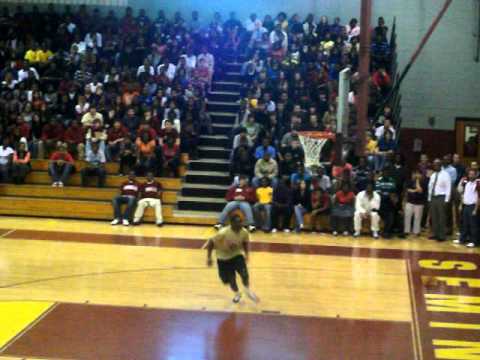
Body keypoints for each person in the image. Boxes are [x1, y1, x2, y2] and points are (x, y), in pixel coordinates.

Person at [206, 214, 259, 304]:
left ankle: (247, 290)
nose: (240, 224)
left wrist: (246, 254)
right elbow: (211, 242)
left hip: (237, 255)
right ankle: (237, 293)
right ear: (232, 223)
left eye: (241, 222)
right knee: (229, 280)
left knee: (244, 274)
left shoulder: (244, 232)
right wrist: (209, 257)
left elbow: (245, 243)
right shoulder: (223, 232)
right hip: (223, 258)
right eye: (238, 223)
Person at [428, 158, 452, 241]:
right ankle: (435, 233)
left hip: (441, 197)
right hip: (433, 197)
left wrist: (447, 200)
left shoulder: (445, 174)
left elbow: (448, 187)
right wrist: (429, 198)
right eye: (434, 165)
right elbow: (430, 187)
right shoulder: (433, 175)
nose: (435, 166)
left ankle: (442, 236)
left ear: (440, 165)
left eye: (437, 164)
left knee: (441, 217)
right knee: (434, 217)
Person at [454, 168, 479, 248]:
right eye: (469, 174)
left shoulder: (478, 184)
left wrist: (475, 209)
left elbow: (479, 197)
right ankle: (462, 239)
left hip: (473, 206)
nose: (470, 176)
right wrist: (461, 204)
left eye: (472, 174)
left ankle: (473, 241)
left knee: (473, 225)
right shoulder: (467, 183)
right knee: (464, 224)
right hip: (466, 206)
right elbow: (464, 195)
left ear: (476, 175)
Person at [376, 166, 398, 238]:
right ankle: (385, 232)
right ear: (382, 173)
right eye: (384, 172)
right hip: (381, 202)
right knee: (386, 216)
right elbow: (378, 193)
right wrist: (388, 194)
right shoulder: (379, 180)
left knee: (391, 216)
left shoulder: (392, 180)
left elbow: (393, 192)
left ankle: (387, 232)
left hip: (390, 202)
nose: (386, 174)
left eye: (387, 172)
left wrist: (388, 195)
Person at [404, 169, 428, 237]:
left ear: (421, 175)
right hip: (410, 201)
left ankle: (416, 231)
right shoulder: (409, 181)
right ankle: (407, 231)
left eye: (418, 174)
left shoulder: (423, 182)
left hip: (419, 202)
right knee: (407, 216)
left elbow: (420, 190)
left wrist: (417, 181)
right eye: (415, 174)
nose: (416, 175)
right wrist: (415, 190)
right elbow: (407, 190)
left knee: (417, 217)